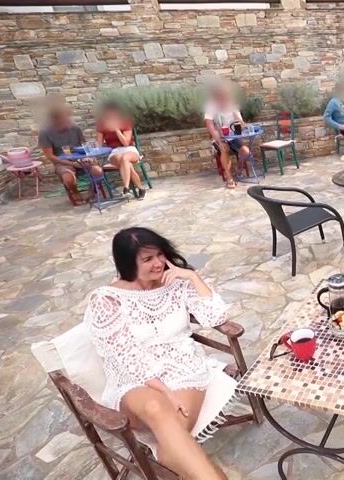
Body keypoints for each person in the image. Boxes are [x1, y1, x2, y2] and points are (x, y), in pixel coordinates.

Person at [83, 227, 230, 480]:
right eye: (148, 259)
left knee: (172, 448)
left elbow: (216, 316)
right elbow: (127, 358)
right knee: (155, 406)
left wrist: (192, 277)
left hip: (184, 369)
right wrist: (166, 393)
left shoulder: (176, 283)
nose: (159, 263)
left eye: (160, 254)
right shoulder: (107, 300)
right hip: (136, 380)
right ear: (128, 264)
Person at [38, 103, 103, 205]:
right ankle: (75, 192)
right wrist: (72, 164)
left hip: (80, 157)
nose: (68, 120)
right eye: (64, 118)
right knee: (68, 178)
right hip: (62, 161)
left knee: (98, 171)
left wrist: (89, 157)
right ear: (55, 120)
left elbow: (84, 146)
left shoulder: (75, 128)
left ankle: (92, 190)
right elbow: (50, 156)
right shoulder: (45, 133)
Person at [204, 82, 252, 189]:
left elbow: (240, 122)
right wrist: (219, 141)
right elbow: (210, 126)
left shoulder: (231, 104)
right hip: (218, 137)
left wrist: (243, 124)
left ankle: (239, 168)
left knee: (246, 152)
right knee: (224, 149)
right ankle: (229, 177)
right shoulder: (211, 107)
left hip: (232, 137)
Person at [96, 102, 146, 200]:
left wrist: (116, 129)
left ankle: (126, 188)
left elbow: (126, 143)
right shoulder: (102, 124)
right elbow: (99, 145)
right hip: (114, 152)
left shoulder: (125, 121)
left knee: (125, 158)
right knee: (127, 164)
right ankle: (140, 188)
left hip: (129, 149)